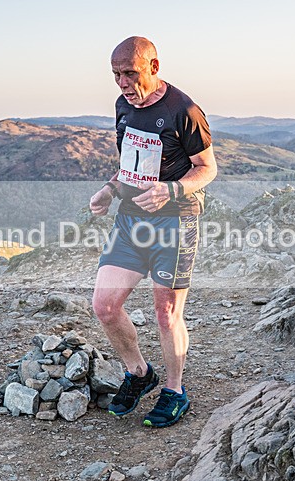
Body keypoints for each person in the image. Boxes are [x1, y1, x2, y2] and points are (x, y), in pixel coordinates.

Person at [90, 36, 217, 428]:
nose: (123, 83)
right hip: (131, 219)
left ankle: (175, 391)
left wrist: (171, 189)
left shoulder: (184, 109)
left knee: (166, 314)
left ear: (154, 67)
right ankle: (140, 373)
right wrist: (110, 189)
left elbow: (207, 168)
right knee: (105, 306)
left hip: (176, 219)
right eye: (116, 75)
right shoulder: (122, 106)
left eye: (130, 73)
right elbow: (130, 163)